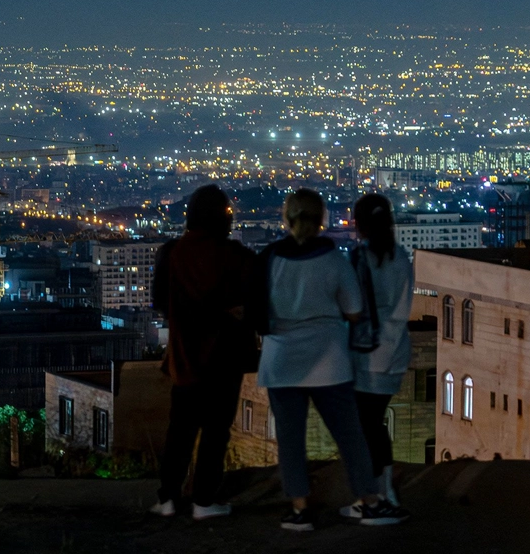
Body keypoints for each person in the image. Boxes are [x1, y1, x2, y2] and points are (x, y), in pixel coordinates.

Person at [256, 189, 408, 531]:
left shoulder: (269, 258)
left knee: (290, 441)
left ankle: (300, 509)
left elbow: (256, 310)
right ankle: (370, 501)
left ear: (287, 218)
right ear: (322, 219)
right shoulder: (334, 260)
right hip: (329, 360)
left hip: (281, 360)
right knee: (350, 436)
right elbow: (354, 311)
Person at [148, 185, 258, 520]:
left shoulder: (172, 253)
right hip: (226, 355)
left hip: (185, 353)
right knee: (215, 430)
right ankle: (204, 501)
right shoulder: (235, 256)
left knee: (180, 429)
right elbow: (253, 301)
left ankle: (168, 497)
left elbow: (159, 301)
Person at [340, 193, 413, 517]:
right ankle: (384, 493)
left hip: (366, 354)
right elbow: (402, 309)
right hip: (394, 354)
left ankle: (373, 499)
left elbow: (350, 306)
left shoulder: (360, 258)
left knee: (365, 427)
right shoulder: (401, 258)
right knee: (374, 424)